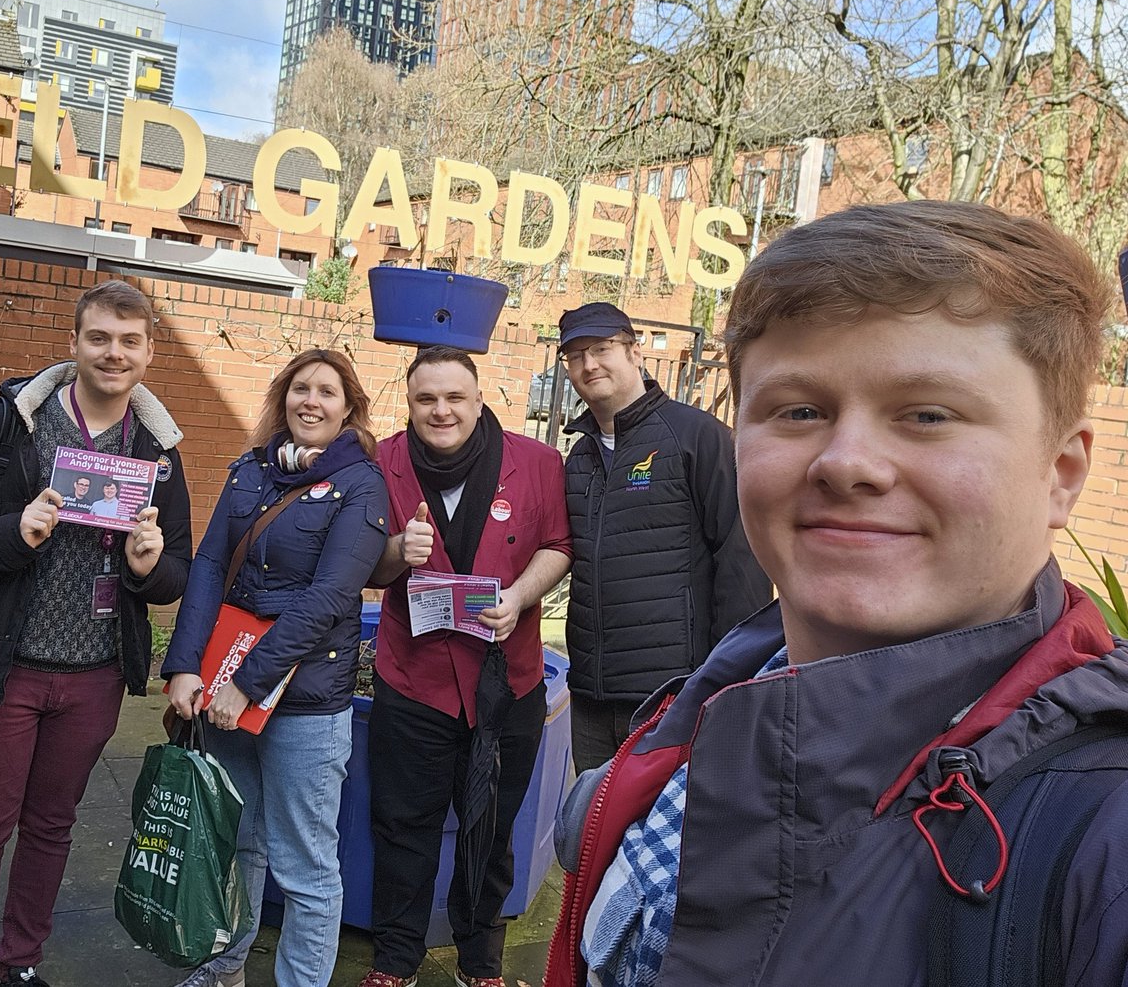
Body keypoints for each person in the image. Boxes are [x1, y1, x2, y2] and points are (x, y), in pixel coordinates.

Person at [545, 201, 1128, 987]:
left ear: (1062, 472)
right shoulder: (696, 732)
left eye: (927, 414)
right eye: (801, 411)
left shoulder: (1099, 834)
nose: (846, 461)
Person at [0, 279, 193, 987]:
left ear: (148, 352)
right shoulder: (8, 426)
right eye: (99, 337)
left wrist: (146, 568)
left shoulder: (158, 450)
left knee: (50, 829)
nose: (113, 353)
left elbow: (179, 570)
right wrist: (13, 533)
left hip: (94, 675)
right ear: (74, 343)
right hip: (1, 668)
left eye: (129, 341)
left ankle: (18, 966)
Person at [163, 348, 390, 987]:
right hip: (226, 687)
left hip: (305, 703)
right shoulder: (249, 471)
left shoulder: (363, 485)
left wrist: (246, 683)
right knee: (235, 845)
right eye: (298, 389)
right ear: (282, 399)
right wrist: (185, 666)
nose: (309, 402)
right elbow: (209, 567)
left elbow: (330, 598)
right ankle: (224, 967)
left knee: (305, 868)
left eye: (326, 391)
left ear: (349, 408)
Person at [358, 345, 572, 987]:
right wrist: (397, 551)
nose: (441, 410)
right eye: (427, 399)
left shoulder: (537, 463)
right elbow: (364, 567)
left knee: (492, 827)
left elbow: (560, 545)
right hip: (412, 679)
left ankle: (481, 963)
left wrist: (518, 598)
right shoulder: (383, 463)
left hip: (507, 682)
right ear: (410, 403)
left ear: (479, 401)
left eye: (455, 397)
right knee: (402, 826)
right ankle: (395, 960)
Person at [556, 301, 771, 772]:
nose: (589, 364)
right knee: (594, 834)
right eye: (575, 355)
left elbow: (742, 557)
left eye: (602, 348)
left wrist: (725, 679)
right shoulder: (580, 458)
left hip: (672, 695)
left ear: (635, 352)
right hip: (592, 693)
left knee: (664, 836)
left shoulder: (697, 437)